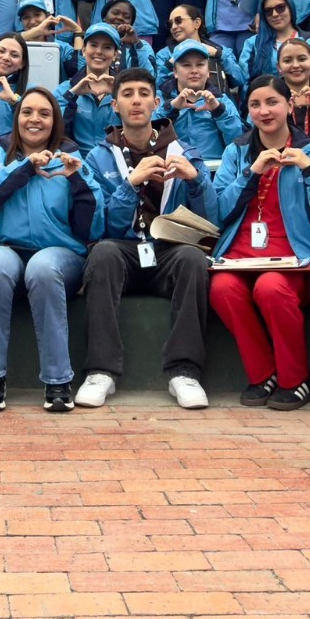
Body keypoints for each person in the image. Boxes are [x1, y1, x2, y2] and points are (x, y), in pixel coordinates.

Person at [0, 86, 105, 413]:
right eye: (27, 112)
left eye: (44, 113)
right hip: (5, 247)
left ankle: (58, 380)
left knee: (42, 267)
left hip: (59, 255)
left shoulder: (73, 158)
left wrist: (77, 181)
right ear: (16, 118)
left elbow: (93, 227)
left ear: (55, 122)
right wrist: (22, 169)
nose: (34, 119)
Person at [77, 67, 215, 410]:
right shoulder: (98, 157)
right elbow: (101, 226)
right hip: (124, 252)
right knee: (102, 253)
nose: (136, 101)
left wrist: (196, 182)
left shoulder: (185, 151)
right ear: (114, 105)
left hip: (167, 253)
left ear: (156, 103)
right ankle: (100, 372)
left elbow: (210, 221)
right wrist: (130, 185)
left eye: (143, 94)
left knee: (193, 259)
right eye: (127, 94)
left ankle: (184, 372)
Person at [208, 75, 310, 410]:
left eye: (272, 102)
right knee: (222, 288)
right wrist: (250, 173)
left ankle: (295, 378)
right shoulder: (236, 151)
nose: (264, 111)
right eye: (255, 104)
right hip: (240, 254)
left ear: (289, 105)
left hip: (294, 256)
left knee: (270, 288)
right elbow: (219, 211)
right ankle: (263, 372)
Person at [157, 40, 244, 161]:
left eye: (200, 65)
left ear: (208, 72)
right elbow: (148, 139)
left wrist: (219, 111)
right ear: (175, 72)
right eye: (186, 65)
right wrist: (171, 108)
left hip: (215, 169)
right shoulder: (160, 99)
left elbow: (237, 142)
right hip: (172, 169)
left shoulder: (222, 100)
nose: (194, 71)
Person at [55, 22, 123, 153]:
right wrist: (72, 95)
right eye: (93, 45)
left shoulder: (126, 90)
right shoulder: (65, 90)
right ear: (83, 50)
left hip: (117, 159)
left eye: (107, 47)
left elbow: (140, 124)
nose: (99, 51)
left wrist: (119, 96)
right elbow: (53, 126)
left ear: (115, 54)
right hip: (74, 160)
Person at [240, 0, 310, 81]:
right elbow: (246, 82)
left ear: (290, 8)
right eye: (268, 11)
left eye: (280, 8)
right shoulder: (253, 43)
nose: (274, 14)